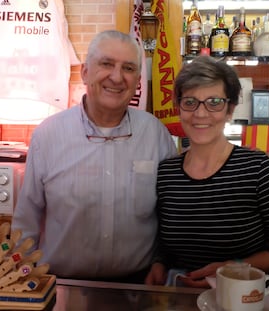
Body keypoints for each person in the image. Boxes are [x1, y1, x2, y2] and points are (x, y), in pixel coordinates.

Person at [11, 30, 177, 283]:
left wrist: (162, 260)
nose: (117, 77)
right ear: (85, 72)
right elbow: (27, 217)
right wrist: (21, 278)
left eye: (129, 68)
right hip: (60, 284)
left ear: (137, 81)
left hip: (138, 285)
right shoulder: (48, 135)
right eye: (107, 64)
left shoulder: (155, 133)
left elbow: (169, 213)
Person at [145, 56, 269, 288]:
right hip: (180, 300)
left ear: (230, 110)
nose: (201, 114)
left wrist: (229, 271)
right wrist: (158, 265)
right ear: (179, 107)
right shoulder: (167, 173)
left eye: (214, 102)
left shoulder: (259, 170)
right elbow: (164, 247)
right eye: (190, 102)